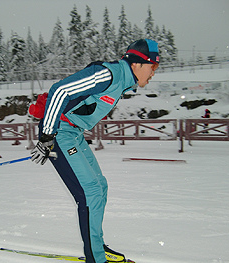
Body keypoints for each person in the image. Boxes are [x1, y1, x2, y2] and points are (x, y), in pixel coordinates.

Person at [30, 39, 160, 263]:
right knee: (90, 191)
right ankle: (96, 258)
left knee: (100, 186)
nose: (153, 73)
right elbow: (60, 91)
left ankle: (97, 247)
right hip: (58, 132)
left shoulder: (123, 83)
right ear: (138, 64)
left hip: (73, 132)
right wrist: (47, 135)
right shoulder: (109, 74)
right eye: (153, 67)